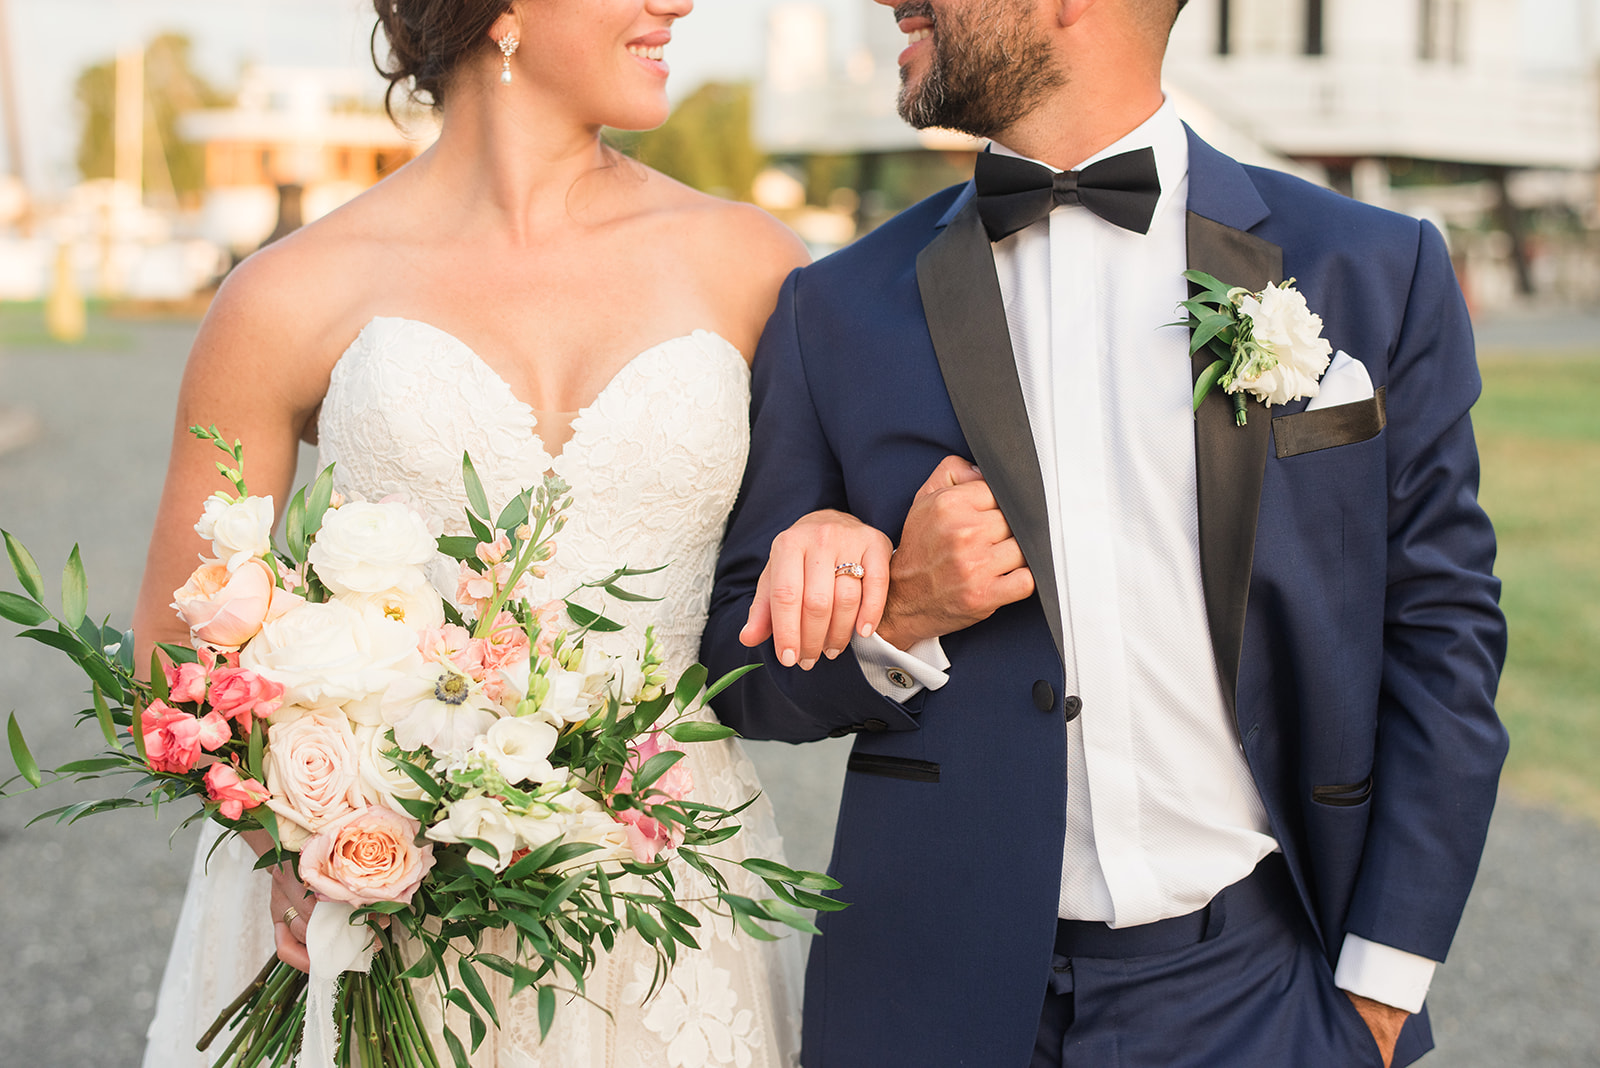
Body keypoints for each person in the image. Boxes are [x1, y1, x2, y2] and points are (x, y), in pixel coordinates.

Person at [701, 0, 1508, 1065]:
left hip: (1265, 994)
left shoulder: (1372, 266)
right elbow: (738, 673)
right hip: (930, 1002)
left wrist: (1379, 989)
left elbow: (1443, 631)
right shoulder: (834, 309)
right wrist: (902, 609)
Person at [131, 1, 811, 1065]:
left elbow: (839, 530)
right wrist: (305, 839)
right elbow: (175, 660)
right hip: (368, 924)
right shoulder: (287, 292)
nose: (677, 3)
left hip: (661, 909)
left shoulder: (753, 265)